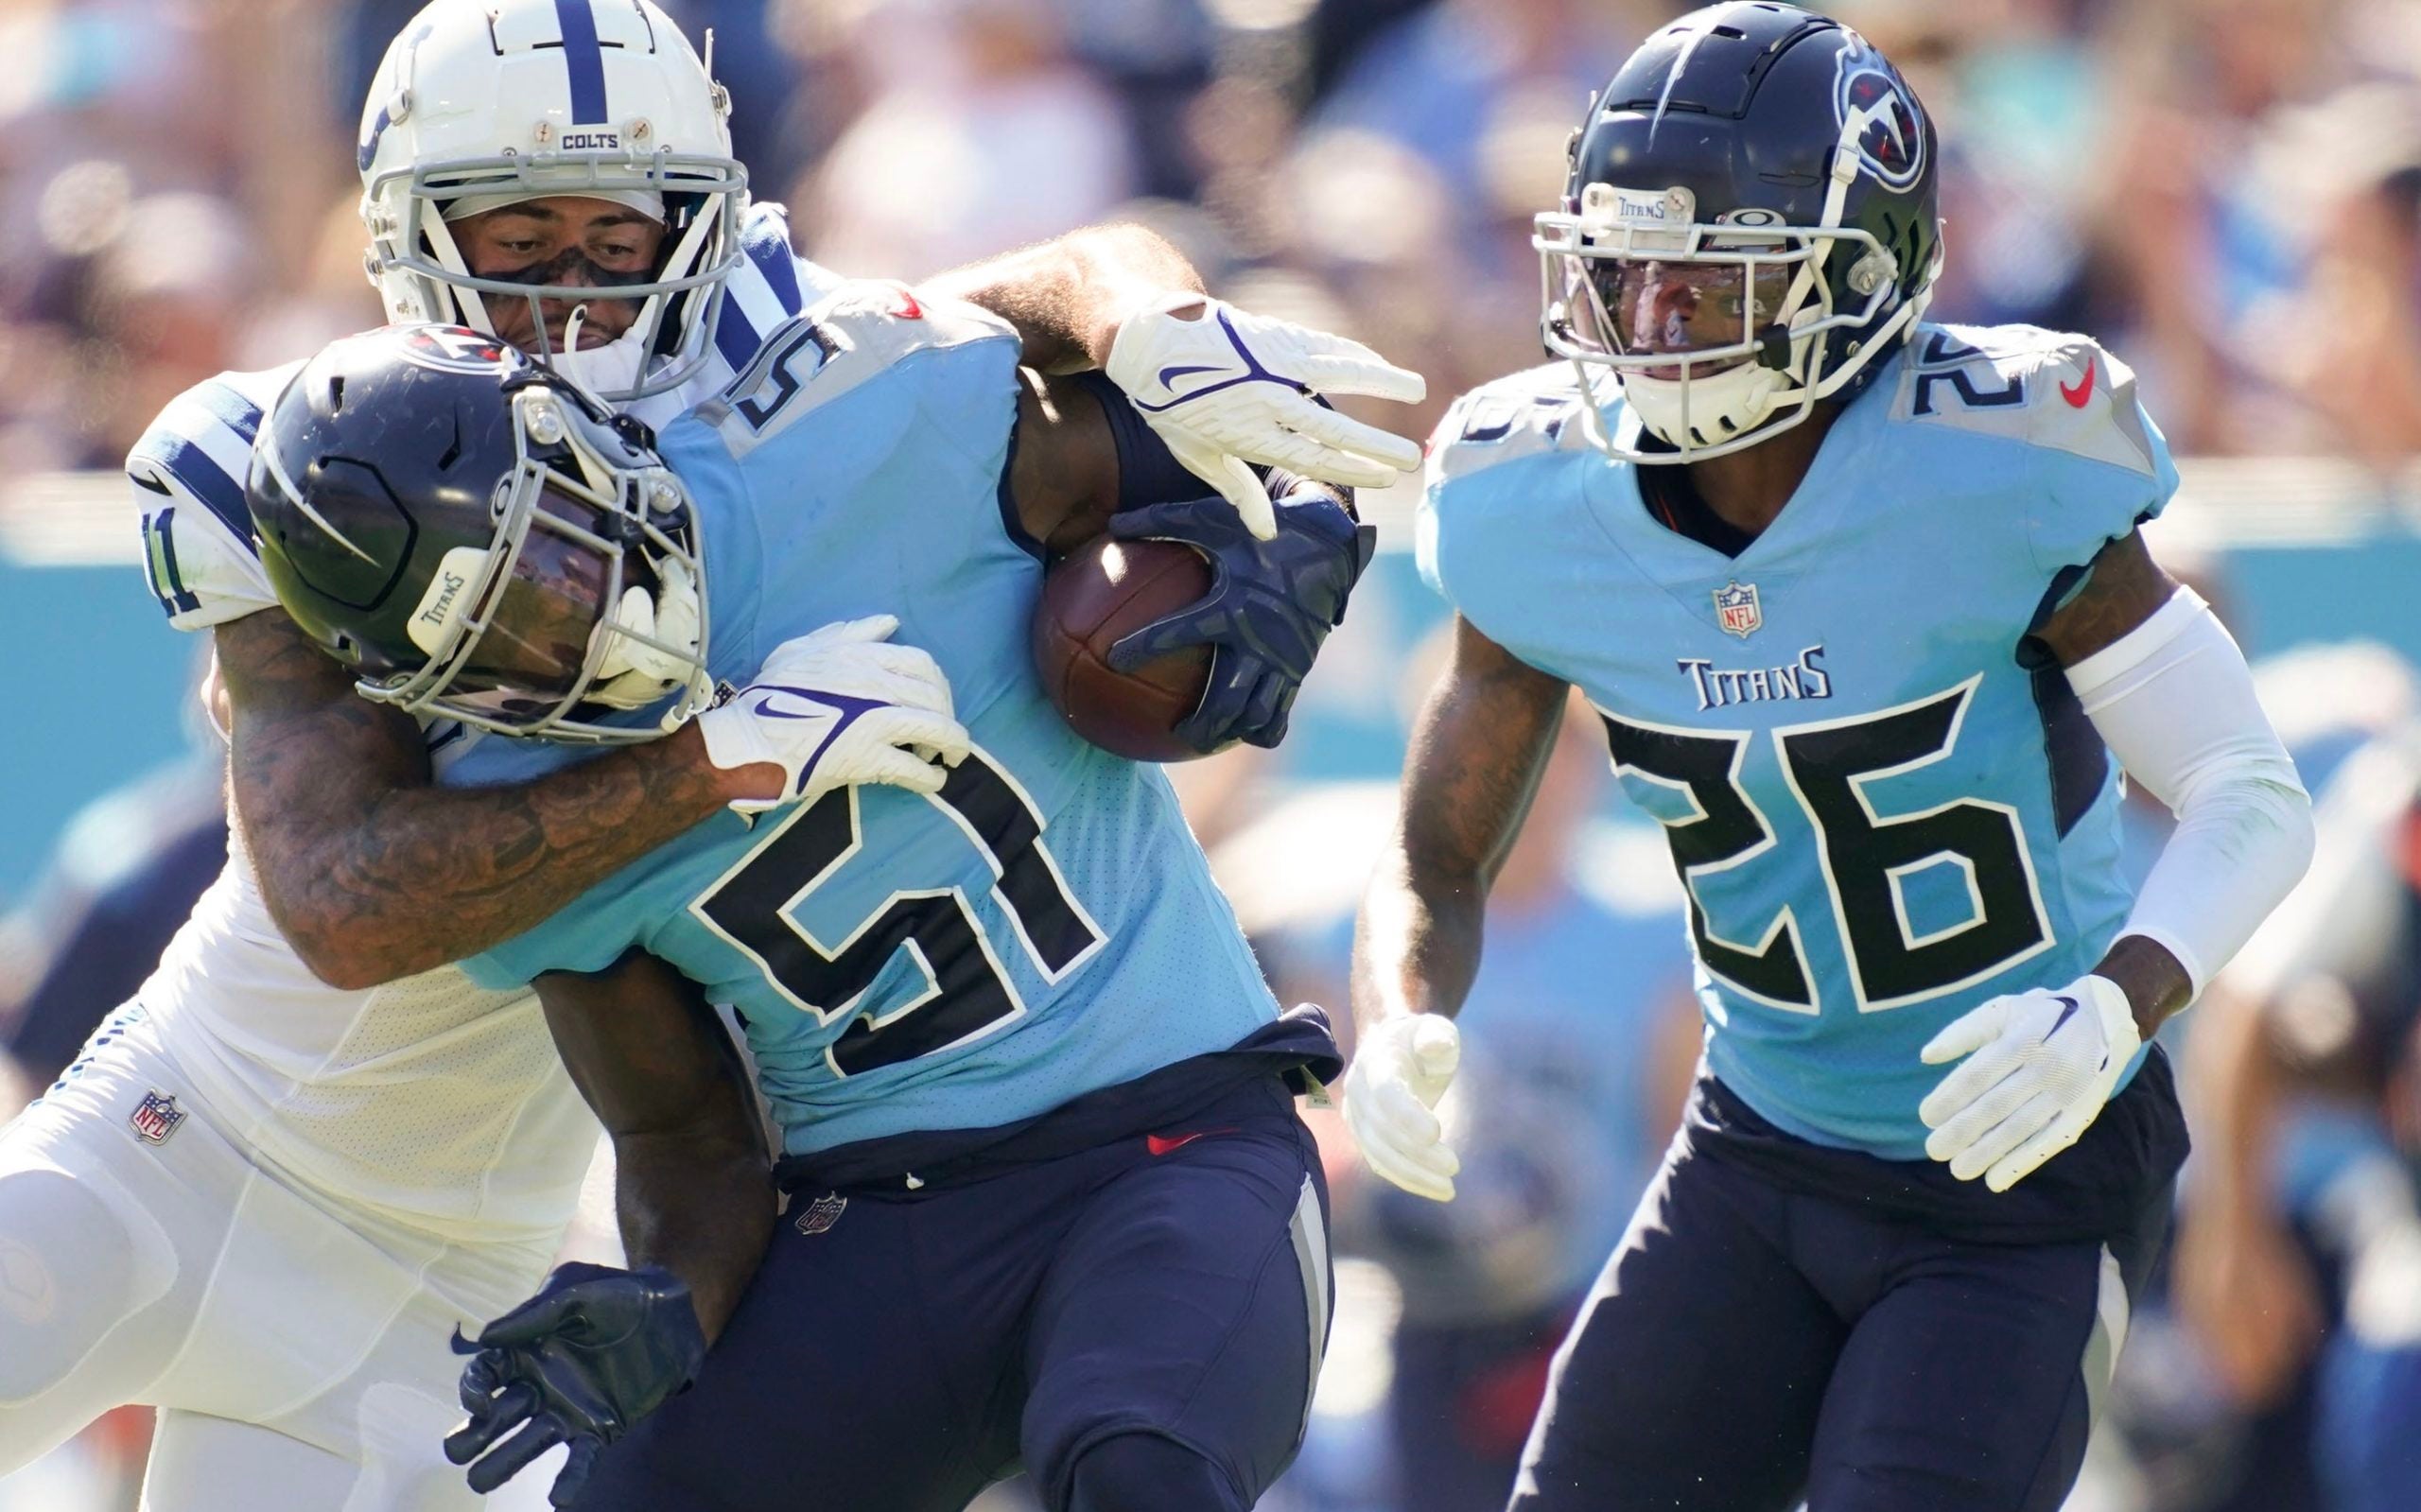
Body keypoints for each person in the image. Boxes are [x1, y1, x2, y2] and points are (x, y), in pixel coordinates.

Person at [0, 1, 1422, 1507]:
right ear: (410, 232)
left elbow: (1059, 299)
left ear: (702, 226)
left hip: (463, 1274)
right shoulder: (324, 465)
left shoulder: (822, 399)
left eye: (616, 239)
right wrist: (719, 760)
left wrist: (1227, 458)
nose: (571, 290)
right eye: (514, 231)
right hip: (191, 1137)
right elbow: (352, 905)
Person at [1344, 7, 2317, 1510]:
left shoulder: (1997, 467)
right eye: (1624, 267)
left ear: (1856, 269)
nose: (1646, 318)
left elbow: (2249, 794)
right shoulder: (1530, 501)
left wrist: (2114, 1010)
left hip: (2021, 1172)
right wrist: (1403, 1012)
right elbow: (1435, 856)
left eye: (1702, 275)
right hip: (1759, 1145)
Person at [247, 271, 1394, 1510]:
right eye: (493, 645)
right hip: (882, 1227)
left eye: (554, 567)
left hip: (1170, 1142)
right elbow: (685, 1141)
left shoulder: (857, 462)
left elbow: (1255, 422)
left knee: (1139, 1466)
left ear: (588, 458)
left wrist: (1301, 526)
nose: (561, 640)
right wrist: (668, 1309)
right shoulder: (522, 808)